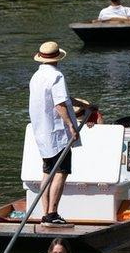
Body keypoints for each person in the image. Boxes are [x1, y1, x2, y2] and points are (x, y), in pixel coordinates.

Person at [29, 41, 92, 225]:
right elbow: (59, 103)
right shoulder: (57, 76)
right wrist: (71, 126)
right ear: (58, 58)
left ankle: (45, 213)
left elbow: (63, 98)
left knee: (47, 171)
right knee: (61, 171)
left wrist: (84, 105)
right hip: (57, 133)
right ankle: (52, 213)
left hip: (41, 131)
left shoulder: (36, 76)